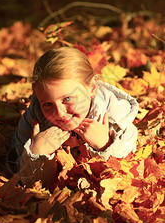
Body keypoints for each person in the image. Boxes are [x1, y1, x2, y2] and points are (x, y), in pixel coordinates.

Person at [12, 47, 138, 187]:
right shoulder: (34, 120)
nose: (59, 113)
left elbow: (124, 175)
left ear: (91, 89)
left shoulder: (115, 116)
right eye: (47, 104)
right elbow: (25, 180)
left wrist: (106, 145)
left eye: (67, 99)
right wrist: (37, 154)